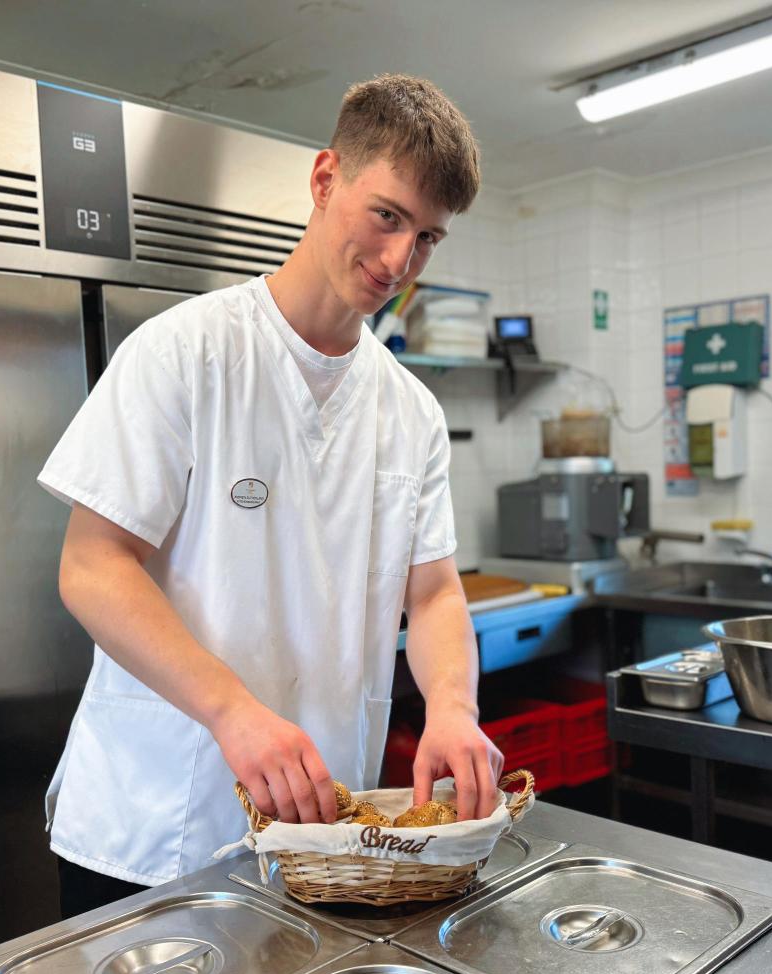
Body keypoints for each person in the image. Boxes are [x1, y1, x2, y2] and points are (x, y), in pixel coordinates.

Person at [37, 73, 502, 918]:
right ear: (326, 180)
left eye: (428, 237)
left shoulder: (411, 412)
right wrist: (232, 711)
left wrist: (454, 709)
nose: (401, 261)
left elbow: (432, 593)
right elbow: (92, 567)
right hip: (152, 835)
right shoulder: (185, 353)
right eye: (388, 216)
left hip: (326, 841)